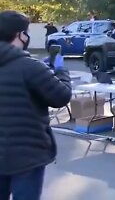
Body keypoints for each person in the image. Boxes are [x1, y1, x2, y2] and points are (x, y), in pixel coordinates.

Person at [0, 10, 72, 200]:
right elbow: (61, 96)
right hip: (27, 155)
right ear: (19, 35)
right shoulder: (29, 66)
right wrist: (60, 70)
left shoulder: (31, 66)